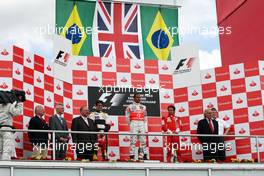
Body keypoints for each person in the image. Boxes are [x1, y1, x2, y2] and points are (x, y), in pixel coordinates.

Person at [0, 90, 25, 160]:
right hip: (6, 129)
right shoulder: (11, 104)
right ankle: (5, 165)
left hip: (0, 129)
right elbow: (16, 112)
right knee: (6, 149)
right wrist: (18, 104)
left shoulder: (1, 104)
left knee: (1, 149)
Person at [126, 93, 148, 161]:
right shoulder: (129, 106)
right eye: (137, 97)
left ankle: (142, 155)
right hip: (134, 122)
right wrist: (131, 124)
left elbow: (145, 117)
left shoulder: (143, 107)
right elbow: (127, 117)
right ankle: (132, 155)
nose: (138, 99)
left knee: (143, 140)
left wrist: (145, 126)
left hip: (141, 123)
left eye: (139, 97)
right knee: (133, 140)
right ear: (134, 98)